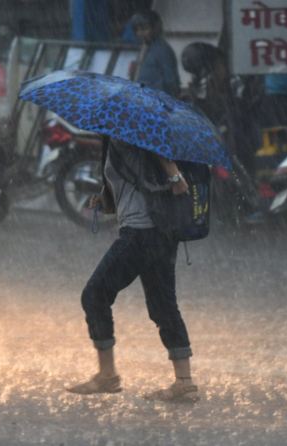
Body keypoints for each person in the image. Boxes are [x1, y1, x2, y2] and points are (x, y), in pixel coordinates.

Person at [66, 137, 198, 402]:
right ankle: (184, 381)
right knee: (163, 306)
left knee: (95, 294)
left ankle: (107, 375)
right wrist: (103, 201)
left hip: (141, 232)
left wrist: (174, 175)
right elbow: (131, 184)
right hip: (158, 232)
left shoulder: (135, 136)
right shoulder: (115, 141)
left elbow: (159, 157)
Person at [129, 10, 181, 97]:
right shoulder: (145, 48)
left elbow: (171, 81)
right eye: (137, 30)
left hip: (156, 100)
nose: (140, 33)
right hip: (143, 97)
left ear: (156, 28)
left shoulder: (162, 50)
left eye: (144, 29)